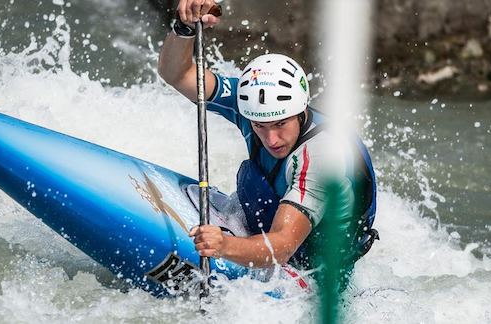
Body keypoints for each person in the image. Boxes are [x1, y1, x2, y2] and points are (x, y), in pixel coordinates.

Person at [158, 0, 378, 275]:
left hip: (317, 264)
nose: (271, 138)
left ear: (300, 111)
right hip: (280, 224)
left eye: (280, 124)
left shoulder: (322, 156)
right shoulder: (252, 103)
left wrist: (224, 245)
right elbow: (177, 74)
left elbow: (283, 246)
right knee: (252, 180)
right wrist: (185, 28)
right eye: (259, 126)